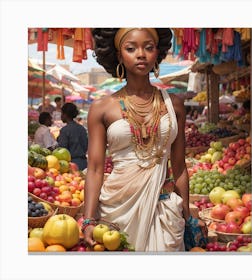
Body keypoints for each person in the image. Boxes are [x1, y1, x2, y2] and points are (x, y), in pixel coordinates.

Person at [82, 28, 191, 252]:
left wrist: (187, 214)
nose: (141, 54)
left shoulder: (175, 105)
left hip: (163, 211)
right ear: (120, 55)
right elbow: (94, 169)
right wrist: (88, 220)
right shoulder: (101, 108)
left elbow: (179, 168)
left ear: (157, 53)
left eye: (149, 47)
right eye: (131, 48)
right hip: (116, 210)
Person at [57, 102, 88, 170]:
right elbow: (86, 145)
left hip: (71, 165)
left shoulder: (64, 130)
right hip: (84, 163)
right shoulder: (82, 128)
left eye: (62, 113)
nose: (61, 116)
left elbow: (62, 150)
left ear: (65, 114)